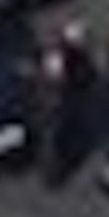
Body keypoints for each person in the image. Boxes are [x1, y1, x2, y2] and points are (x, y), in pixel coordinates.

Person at [31, 22, 88, 190]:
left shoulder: (63, 56)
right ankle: (51, 174)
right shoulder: (51, 56)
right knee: (51, 137)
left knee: (52, 136)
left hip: (55, 101)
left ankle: (52, 173)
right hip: (51, 103)